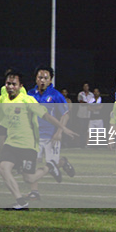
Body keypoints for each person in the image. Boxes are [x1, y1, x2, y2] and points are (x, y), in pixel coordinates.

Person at [0, 69, 77, 210]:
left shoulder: (28, 100)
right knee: (3, 168)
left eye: (14, 84)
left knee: (29, 178)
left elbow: (46, 116)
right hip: (11, 143)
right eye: (8, 83)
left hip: (28, 145)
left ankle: (50, 166)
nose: (10, 87)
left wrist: (62, 128)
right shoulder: (3, 99)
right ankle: (21, 202)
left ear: (20, 86)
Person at [26, 66, 75, 200]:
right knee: (33, 164)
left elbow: (65, 115)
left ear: (50, 80)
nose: (42, 80)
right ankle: (34, 191)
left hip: (51, 136)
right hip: (34, 136)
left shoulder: (56, 95)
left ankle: (62, 162)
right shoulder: (30, 94)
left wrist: (59, 132)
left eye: (45, 78)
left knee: (51, 164)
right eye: (40, 77)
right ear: (36, 78)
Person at [76, 81, 95, 148]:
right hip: (81, 114)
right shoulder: (80, 94)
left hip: (88, 115)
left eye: (87, 86)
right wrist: (88, 103)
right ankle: (80, 144)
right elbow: (81, 102)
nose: (86, 87)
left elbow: (92, 103)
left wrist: (87, 103)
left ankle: (86, 143)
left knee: (87, 130)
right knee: (81, 129)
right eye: (84, 86)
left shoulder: (91, 94)